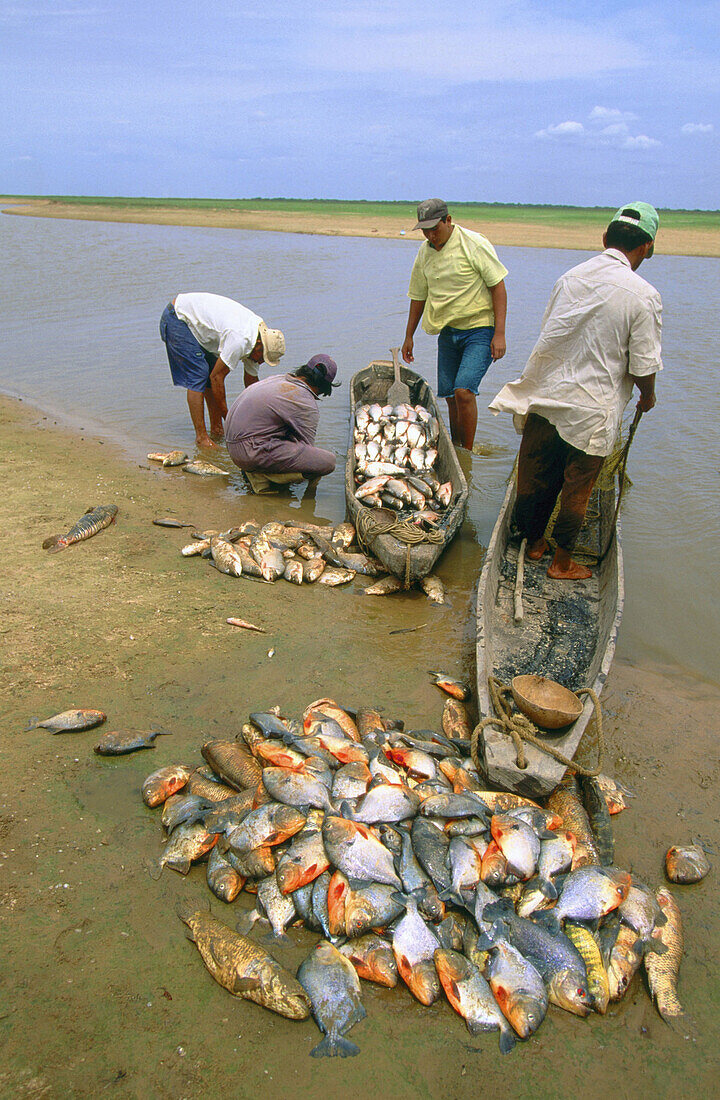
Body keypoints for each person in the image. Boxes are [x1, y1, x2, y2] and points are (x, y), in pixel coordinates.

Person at [489, 202, 662, 580]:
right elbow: (644, 365)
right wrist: (647, 396)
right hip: (593, 408)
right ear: (646, 246)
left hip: (546, 394)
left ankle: (534, 543)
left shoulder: (569, 278)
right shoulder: (643, 294)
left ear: (605, 239)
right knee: (578, 489)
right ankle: (562, 562)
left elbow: (554, 333)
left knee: (536, 475)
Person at [402, 198, 508, 450]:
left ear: (448, 220)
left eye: (435, 229)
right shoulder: (425, 251)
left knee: (464, 392)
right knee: (449, 397)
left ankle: (466, 452)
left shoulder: (474, 243)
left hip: (480, 329)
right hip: (448, 332)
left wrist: (500, 333)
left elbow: (498, 287)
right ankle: (457, 448)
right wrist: (409, 336)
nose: (430, 235)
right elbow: (418, 295)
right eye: (425, 230)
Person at [159, 292, 285, 448]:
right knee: (199, 374)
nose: (260, 362)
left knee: (211, 370)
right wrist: (230, 419)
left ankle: (217, 430)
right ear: (259, 345)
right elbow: (217, 378)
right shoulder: (240, 339)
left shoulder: (258, 342)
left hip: (201, 326)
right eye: (262, 358)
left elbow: (251, 384)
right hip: (178, 318)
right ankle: (201, 438)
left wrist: (265, 417)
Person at [224, 354, 339, 480]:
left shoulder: (278, 379)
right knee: (327, 462)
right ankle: (265, 478)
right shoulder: (305, 399)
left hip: (232, 445)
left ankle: (257, 470)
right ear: (323, 387)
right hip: (250, 452)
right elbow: (307, 451)